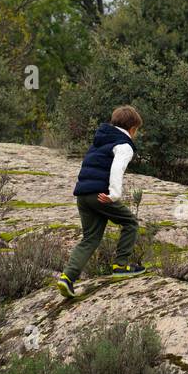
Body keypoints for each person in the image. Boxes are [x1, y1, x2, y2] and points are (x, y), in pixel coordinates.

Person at [57, 104, 146, 298]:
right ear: (132, 129)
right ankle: (120, 266)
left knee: (90, 238)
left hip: (83, 195)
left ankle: (67, 278)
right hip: (100, 195)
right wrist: (114, 194)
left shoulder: (100, 140)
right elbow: (116, 169)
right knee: (130, 223)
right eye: (137, 131)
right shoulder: (124, 145)